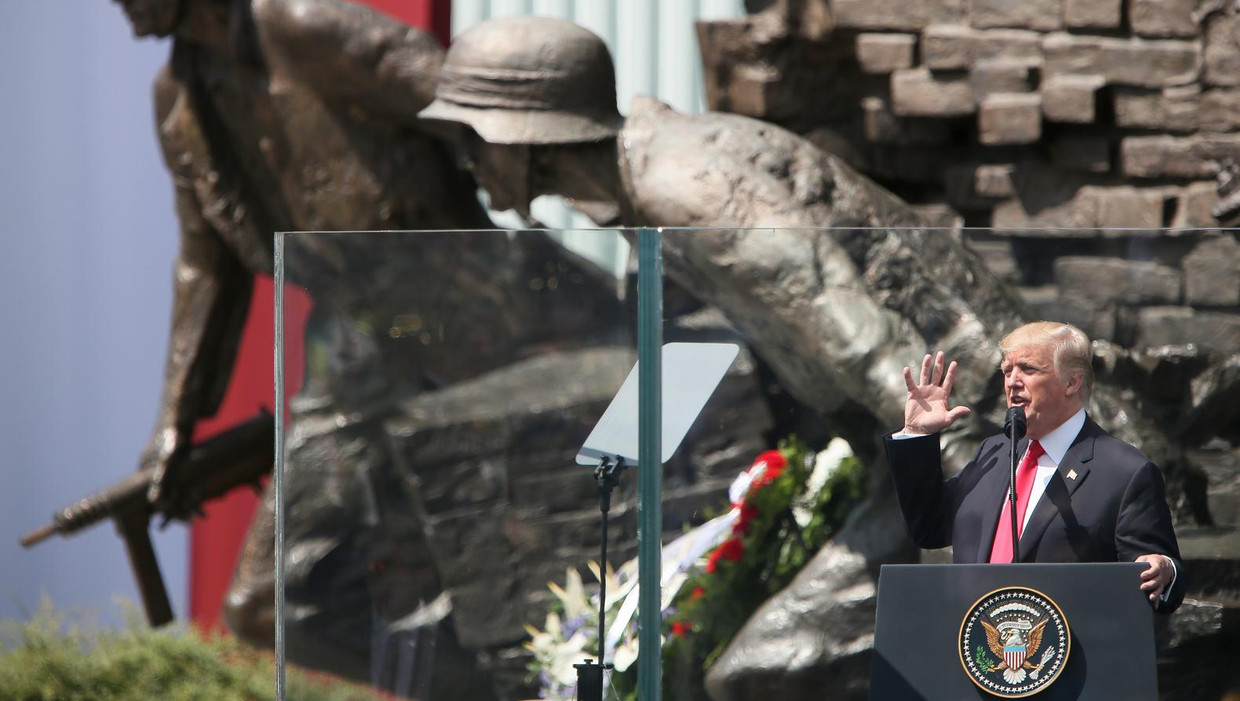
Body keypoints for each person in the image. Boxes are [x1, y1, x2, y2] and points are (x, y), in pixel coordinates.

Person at [884, 321, 1185, 611]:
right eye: (1007, 370)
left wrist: (1164, 571)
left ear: (1072, 382)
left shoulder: (1125, 472)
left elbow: (1157, 571)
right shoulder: (994, 453)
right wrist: (918, 435)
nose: (1012, 381)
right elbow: (929, 528)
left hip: (1067, 654)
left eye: (1028, 369)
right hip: (975, 649)